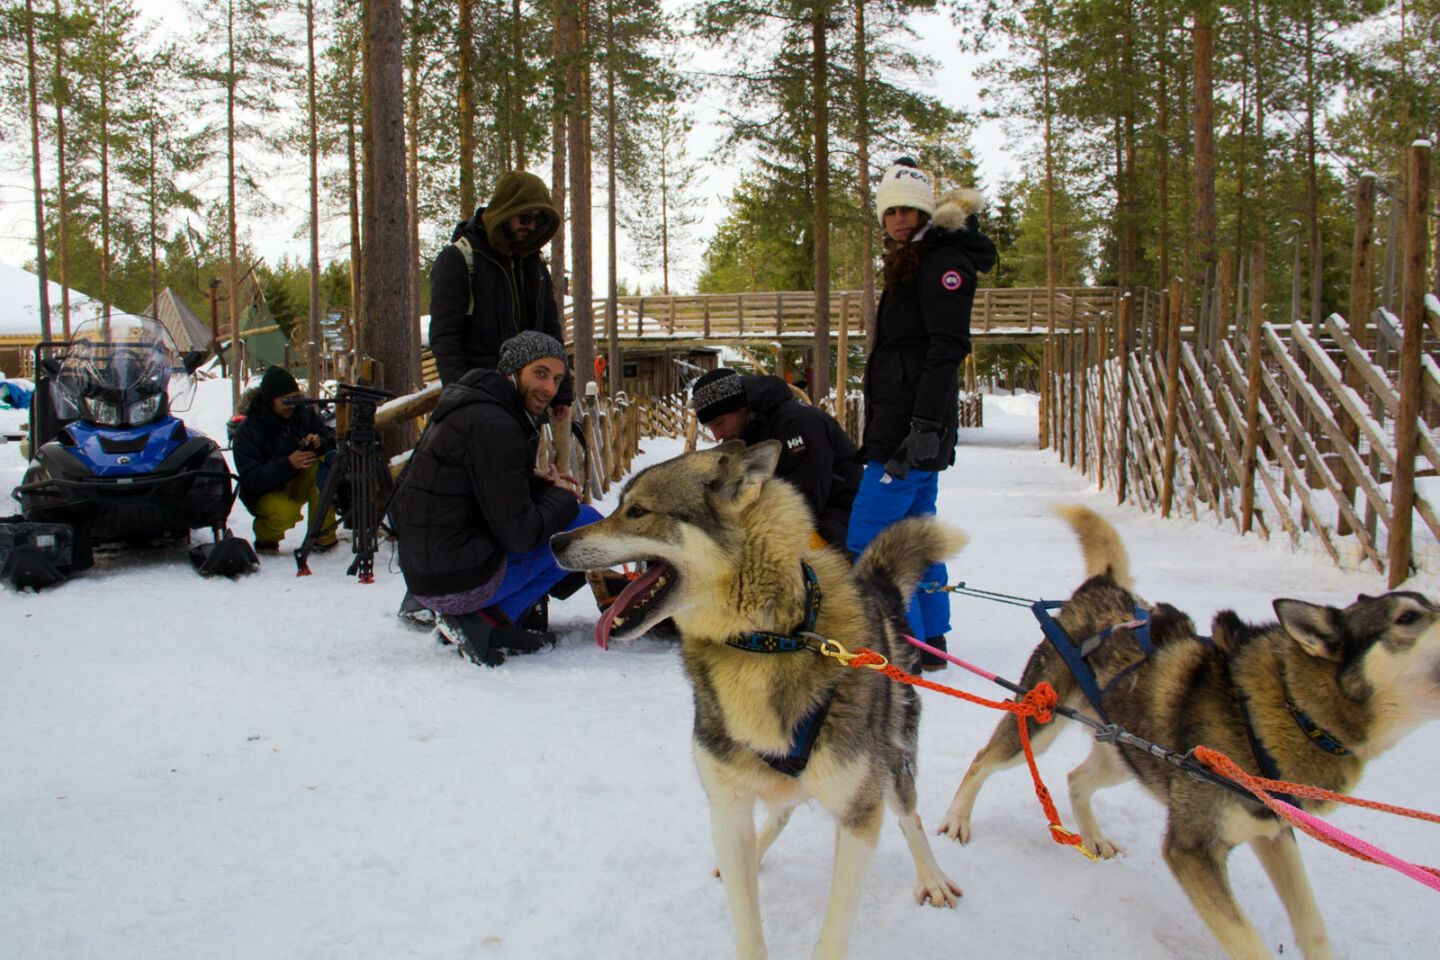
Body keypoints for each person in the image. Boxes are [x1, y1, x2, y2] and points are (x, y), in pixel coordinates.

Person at [846, 157, 997, 670]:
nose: (900, 220)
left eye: (910, 210)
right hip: (905, 424)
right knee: (916, 533)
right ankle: (929, 642)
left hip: (911, 430)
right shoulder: (915, 258)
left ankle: (884, 640)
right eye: (892, 212)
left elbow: (946, 347)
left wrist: (925, 428)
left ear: (926, 211)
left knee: (867, 537)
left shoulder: (941, 261)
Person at [395, 331, 602, 668]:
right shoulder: (497, 424)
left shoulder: (474, 406)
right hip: (454, 582)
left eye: (557, 378)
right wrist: (563, 497)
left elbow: (477, 484)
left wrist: (536, 482)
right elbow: (520, 534)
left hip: (429, 574)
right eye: (540, 373)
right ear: (513, 370)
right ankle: (486, 618)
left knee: (565, 518)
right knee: (587, 524)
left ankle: (491, 618)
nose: (550, 388)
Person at [428, 170, 574, 470]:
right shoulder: (459, 260)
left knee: (517, 479)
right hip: (480, 400)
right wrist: (462, 400)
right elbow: (445, 337)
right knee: (484, 483)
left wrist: (563, 389)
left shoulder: (534, 265)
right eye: (524, 217)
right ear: (504, 211)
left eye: (537, 219)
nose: (530, 226)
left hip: (525, 400)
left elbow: (550, 329)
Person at [690, 367, 861, 550]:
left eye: (719, 423)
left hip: (841, 519)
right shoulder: (748, 430)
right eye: (710, 427)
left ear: (743, 408)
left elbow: (806, 501)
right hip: (792, 514)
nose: (716, 436)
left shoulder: (798, 424)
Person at [232, 366, 338, 554]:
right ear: (270, 400)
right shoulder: (249, 430)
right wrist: (288, 463)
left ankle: (322, 536)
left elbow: (329, 442)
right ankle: (266, 539)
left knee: (324, 467)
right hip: (266, 491)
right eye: (285, 400)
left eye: (294, 398)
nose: (291, 404)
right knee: (284, 514)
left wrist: (318, 442)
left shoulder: (303, 414)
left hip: (298, 480)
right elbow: (251, 478)